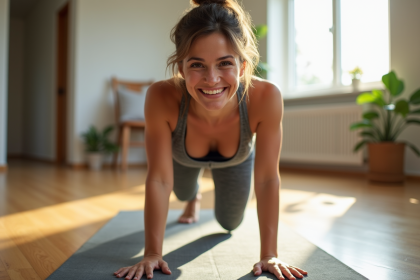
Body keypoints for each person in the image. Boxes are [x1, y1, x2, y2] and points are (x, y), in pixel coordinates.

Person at [114, 0, 308, 279]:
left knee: (230, 223)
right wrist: (153, 254)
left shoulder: (265, 97)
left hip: (237, 159)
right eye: (197, 65)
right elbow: (158, 179)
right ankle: (193, 197)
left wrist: (269, 255)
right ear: (181, 67)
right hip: (181, 156)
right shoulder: (160, 96)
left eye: (224, 63)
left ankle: (199, 196)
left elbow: (266, 179)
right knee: (181, 192)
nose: (212, 79)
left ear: (242, 66)